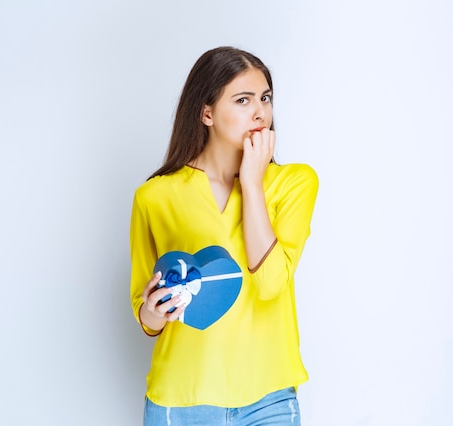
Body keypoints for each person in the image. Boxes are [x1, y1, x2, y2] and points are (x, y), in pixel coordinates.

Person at [129, 46, 319, 425]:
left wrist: (251, 181)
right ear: (207, 113)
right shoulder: (155, 196)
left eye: (264, 98)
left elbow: (269, 284)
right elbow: (145, 313)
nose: (260, 111)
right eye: (243, 99)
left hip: (270, 402)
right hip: (180, 401)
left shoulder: (294, 183)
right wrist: (150, 312)